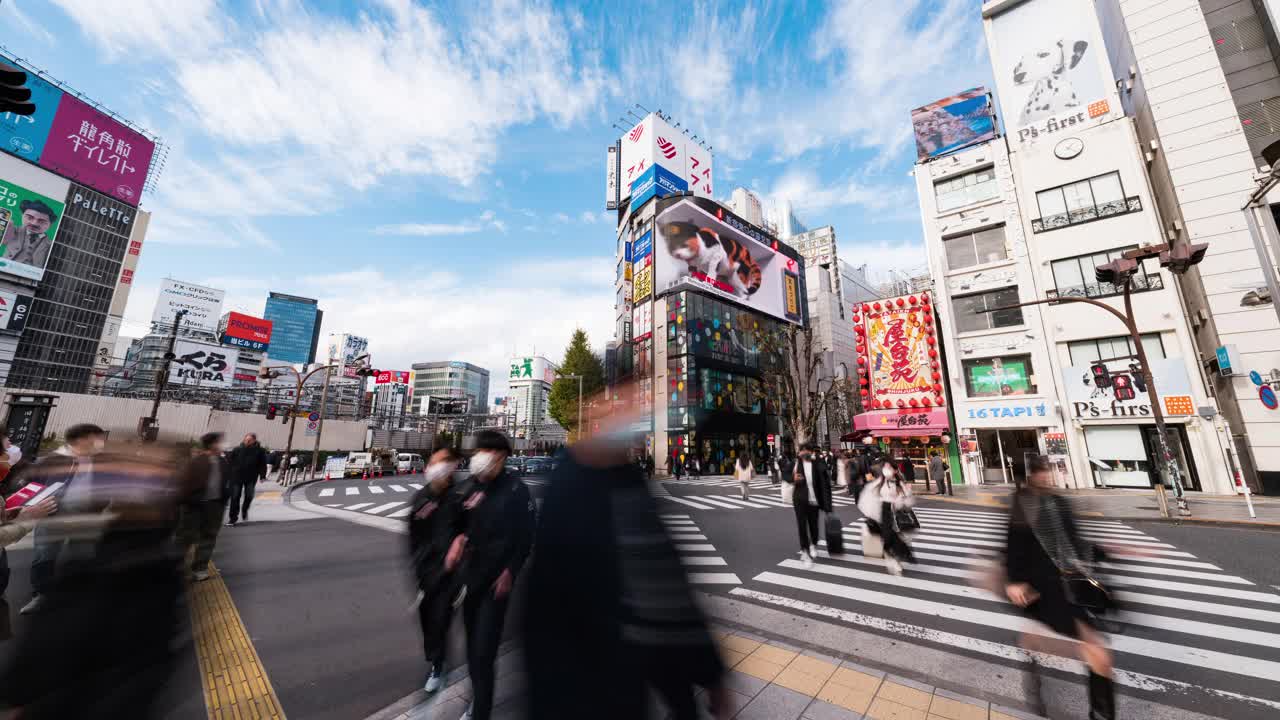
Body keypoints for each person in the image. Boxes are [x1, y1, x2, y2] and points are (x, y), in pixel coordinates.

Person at [524, 389, 728, 720]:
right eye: (613, 411)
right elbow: (546, 599)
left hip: (625, 667)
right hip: (582, 677)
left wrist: (708, 673)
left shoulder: (625, 482)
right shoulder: (571, 483)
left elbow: (665, 582)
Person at [1003, 456, 1116, 719]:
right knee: (1098, 651)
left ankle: (1032, 656)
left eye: (1048, 470)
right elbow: (1013, 543)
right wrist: (1014, 580)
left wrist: (1106, 552)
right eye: (1040, 471)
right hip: (1043, 586)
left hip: (1070, 583)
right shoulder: (1023, 503)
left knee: (1091, 648)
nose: (1046, 476)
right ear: (1030, 475)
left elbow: (1074, 541)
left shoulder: (1059, 502)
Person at [452, 431, 535, 720]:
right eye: (479, 450)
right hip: (469, 582)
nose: (481, 456)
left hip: (495, 584)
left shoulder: (515, 490)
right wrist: (457, 540)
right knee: (473, 649)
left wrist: (511, 570)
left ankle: (481, 711)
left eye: (488, 451)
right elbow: (456, 527)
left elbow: (526, 537)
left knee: (484, 651)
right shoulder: (466, 488)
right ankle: (478, 697)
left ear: (501, 457)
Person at [20, 423, 107, 615]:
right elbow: (30, 483)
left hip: (86, 517)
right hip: (53, 514)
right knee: (44, 555)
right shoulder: (53, 460)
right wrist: (34, 506)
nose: (101, 443)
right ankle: (41, 596)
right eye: (97, 438)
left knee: (80, 556)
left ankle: (73, 597)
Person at [407, 448, 464, 694]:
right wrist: (417, 566)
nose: (435, 466)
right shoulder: (422, 497)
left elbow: (471, 530)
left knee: (440, 620)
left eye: (441, 462)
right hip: (425, 573)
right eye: (433, 462)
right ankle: (436, 658)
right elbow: (413, 536)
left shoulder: (459, 497)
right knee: (427, 622)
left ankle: (438, 666)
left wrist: (461, 543)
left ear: (451, 466)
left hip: (450, 575)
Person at [178, 432, 230, 581]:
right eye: (219, 443)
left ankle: (200, 568)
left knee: (209, 536)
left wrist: (225, 497)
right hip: (194, 505)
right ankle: (177, 567)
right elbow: (185, 484)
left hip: (215, 505)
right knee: (186, 537)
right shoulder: (196, 461)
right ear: (212, 444)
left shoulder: (222, 462)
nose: (222, 446)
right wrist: (186, 502)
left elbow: (227, 482)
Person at [857, 459, 916, 576]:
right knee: (888, 538)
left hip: (898, 514)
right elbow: (867, 499)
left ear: (895, 470)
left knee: (900, 540)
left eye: (890, 468)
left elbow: (908, 502)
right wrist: (870, 514)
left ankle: (895, 559)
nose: (887, 470)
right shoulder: (878, 483)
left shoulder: (900, 483)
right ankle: (892, 558)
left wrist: (904, 497)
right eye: (885, 467)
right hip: (884, 514)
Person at [787, 443, 833, 569]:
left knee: (814, 527)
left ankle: (813, 543)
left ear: (811, 451)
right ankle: (805, 551)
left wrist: (827, 505)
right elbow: (785, 474)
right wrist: (793, 477)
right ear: (800, 452)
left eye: (807, 450)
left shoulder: (817, 463)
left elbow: (825, 483)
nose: (805, 452)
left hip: (814, 501)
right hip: (800, 500)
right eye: (803, 450)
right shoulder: (795, 463)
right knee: (802, 526)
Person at [1, 199, 58, 269]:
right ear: (22, 216)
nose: (34, 223)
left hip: (30, 275)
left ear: (50, 225)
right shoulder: (13, 230)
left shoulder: (50, 244)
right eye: (30, 218)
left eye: (41, 221)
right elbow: (4, 240)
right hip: (5, 268)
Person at [225, 433, 267, 526]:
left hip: (251, 477)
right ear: (243, 440)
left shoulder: (260, 451)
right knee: (235, 497)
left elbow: (262, 464)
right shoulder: (237, 450)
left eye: (250, 440)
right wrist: (228, 474)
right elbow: (229, 462)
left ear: (254, 441)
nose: (247, 441)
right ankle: (233, 518)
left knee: (249, 496)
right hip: (236, 477)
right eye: (246, 439)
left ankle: (244, 509)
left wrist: (262, 476)